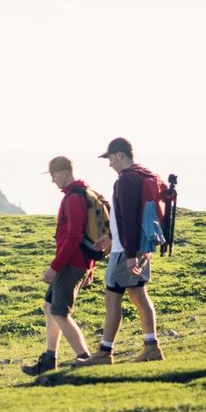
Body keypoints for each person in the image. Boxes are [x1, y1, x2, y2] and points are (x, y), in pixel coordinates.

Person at [79, 137, 169, 365]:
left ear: (119, 155)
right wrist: (110, 237)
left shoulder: (126, 181)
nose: (109, 164)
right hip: (141, 245)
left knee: (112, 298)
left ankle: (104, 352)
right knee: (138, 294)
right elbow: (131, 217)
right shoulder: (144, 175)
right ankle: (152, 347)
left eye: (109, 158)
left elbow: (129, 218)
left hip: (126, 250)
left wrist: (128, 254)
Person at [21, 156, 95, 376]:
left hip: (71, 263)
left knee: (60, 312)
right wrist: (90, 266)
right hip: (76, 262)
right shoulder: (80, 194)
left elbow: (73, 237)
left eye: (53, 175)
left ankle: (85, 357)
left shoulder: (73, 198)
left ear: (63, 172)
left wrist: (55, 267)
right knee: (49, 306)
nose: (52, 180)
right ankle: (49, 359)